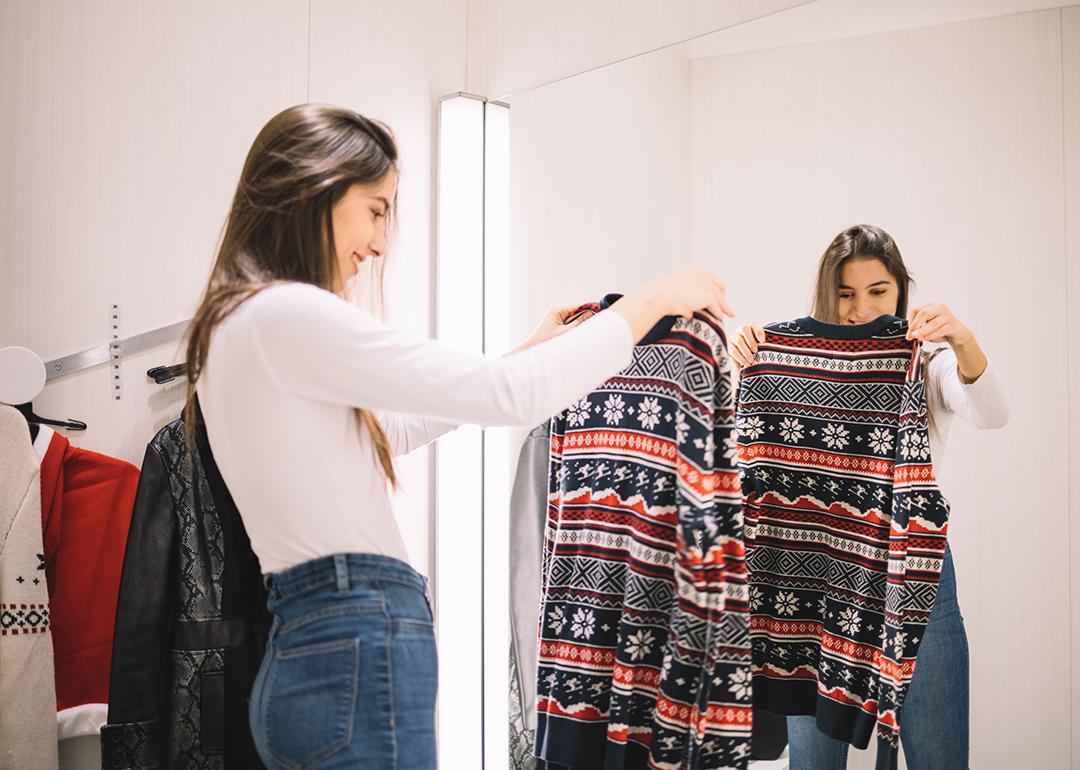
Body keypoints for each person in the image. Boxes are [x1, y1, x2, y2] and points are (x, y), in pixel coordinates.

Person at [182, 103, 734, 770]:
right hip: (352, 649)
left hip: (306, 653)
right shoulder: (284, 314)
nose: (381, 243)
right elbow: (515, 397)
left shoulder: (237, 329)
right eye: (377, 209)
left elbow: (394, 429)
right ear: (317, 187)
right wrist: (651, 302)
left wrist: (522, 351)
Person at [728, 224, 1009, 770]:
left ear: (901, 290)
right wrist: (748, 362)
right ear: (826, 294)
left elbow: (993, 412)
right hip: (815, 571)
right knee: (813, 761)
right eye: (846, 292)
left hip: (914, 570)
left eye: (877, 291)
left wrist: (961, 338)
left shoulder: (926, 359)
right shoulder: (783, 356)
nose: (860, 309)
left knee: (938, 754)